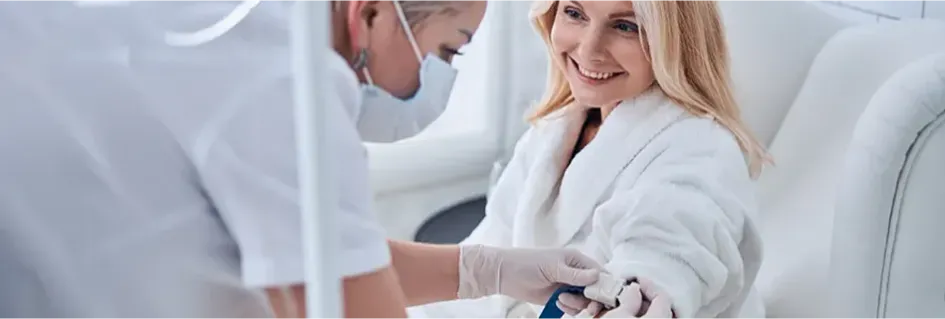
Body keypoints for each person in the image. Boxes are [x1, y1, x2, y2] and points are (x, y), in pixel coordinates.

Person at [0, 0, 651, 319]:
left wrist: (490, 268)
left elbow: (323, 254)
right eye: (448, 52)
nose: (441, 82)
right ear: (370, 13)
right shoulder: (284, 79)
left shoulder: (245, 30)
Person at [416, 0, 769, 318]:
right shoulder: (556, 130)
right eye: (575, 13)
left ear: (674, 40)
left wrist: (646, 292)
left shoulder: (701, 149)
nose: (589, 49)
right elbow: (492, 246)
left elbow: (672, 244)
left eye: (626, 26)